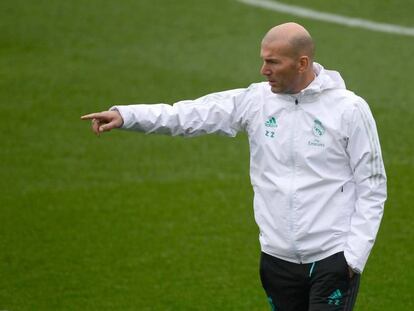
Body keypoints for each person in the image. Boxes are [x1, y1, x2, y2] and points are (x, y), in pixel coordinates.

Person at [81, 22, 387, 311]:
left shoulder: (349, 109)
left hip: (331, 259)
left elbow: (372, 186)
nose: (263, 70)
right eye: (263, 60)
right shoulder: (256, 101)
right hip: (276, 259)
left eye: (273, 62)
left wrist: (353, 258)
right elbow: (190, 115)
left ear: (302, 63)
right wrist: (127, 116)